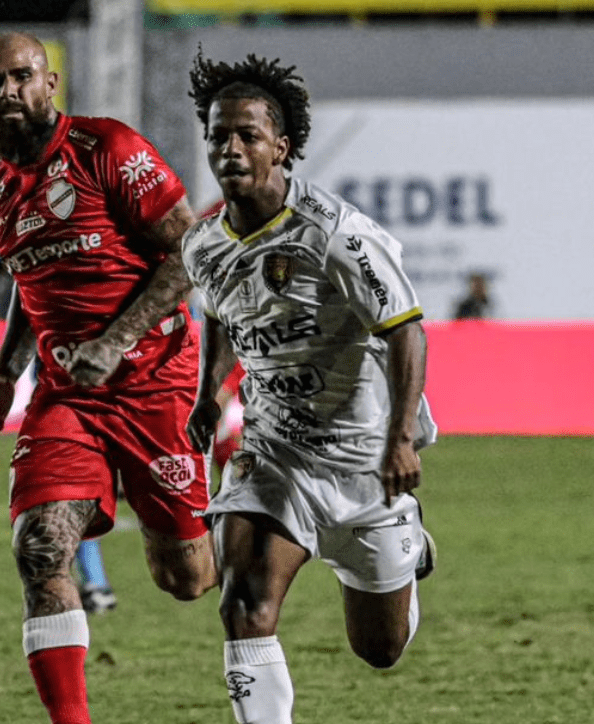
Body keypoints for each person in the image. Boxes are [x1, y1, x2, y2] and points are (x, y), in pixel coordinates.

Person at [0, 32, 217, 724]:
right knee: (40, 547)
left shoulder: (109, 151)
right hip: (66, 396)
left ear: (51, 83)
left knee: (186, 578)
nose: (9, 91)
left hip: (156, 385)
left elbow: (188, 253)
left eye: (22, 77)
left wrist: (116, 340)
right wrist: (6, 371)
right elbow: (27, 282)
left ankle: (260, 516)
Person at [182, 52, 439, 724]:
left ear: (282, 146)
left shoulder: (338, 236)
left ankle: (405, 546)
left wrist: (401, 437)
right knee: (244, 603)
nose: (229, 148)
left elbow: (406, 329)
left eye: (247, 135)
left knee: (379, 650)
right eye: (217, 136)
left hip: (362, 461)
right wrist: (210, 392)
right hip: (274, 454)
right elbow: (219, 316)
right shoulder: (204, 245)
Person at [0, 235, 118, 614]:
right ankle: (96, 584)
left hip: (138, 363)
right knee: (67, 478)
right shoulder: (24, 215)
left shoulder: (122, 199)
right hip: (59, 369)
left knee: (182, 568)